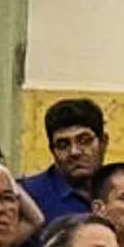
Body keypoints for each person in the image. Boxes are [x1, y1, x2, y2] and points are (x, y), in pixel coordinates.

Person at [24, 98, 107, 228]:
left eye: (85, 141)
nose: (74, 152)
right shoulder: (29, 196)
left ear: (103, 143)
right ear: (52, 150)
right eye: (63, 145)